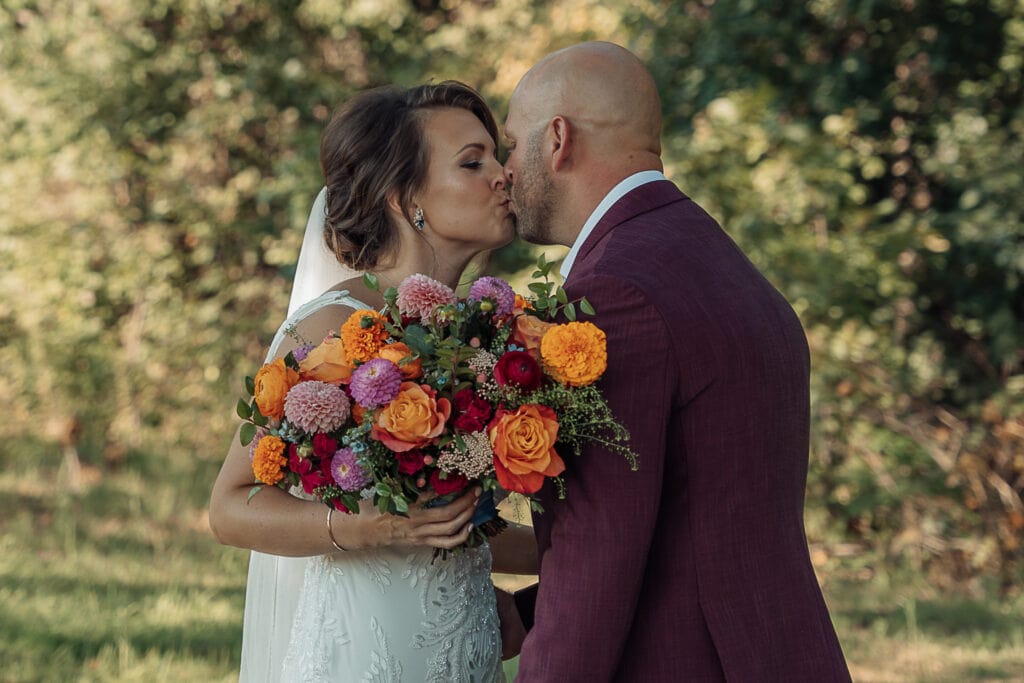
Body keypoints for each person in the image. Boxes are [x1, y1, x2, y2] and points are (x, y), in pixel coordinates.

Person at [501, 42, 852, 680]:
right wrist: (529, 614)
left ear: (557, 139)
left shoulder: (614, 292)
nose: (504, 171)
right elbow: (688, 523)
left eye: (509, 143)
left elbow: (598, 546)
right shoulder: (712, 258)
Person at [209, 81, 536, 682]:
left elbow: (457, 522)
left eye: (496, 155)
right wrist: (366, 528)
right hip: (362, 653)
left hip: (465, 649)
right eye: (473, 162)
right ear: (404, 198)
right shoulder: (333, 327)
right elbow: (231, 508)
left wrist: (585, 547)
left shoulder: (479, 336)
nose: (503, 175)